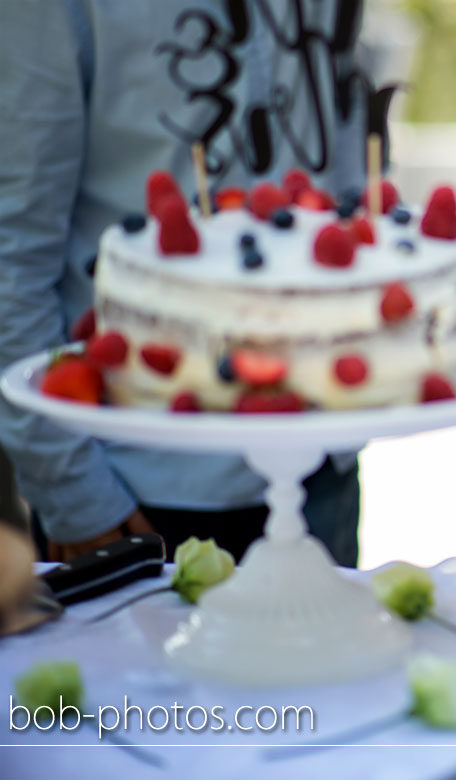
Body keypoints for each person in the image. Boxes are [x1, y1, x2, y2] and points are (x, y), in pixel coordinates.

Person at [0, 0, 381, 565]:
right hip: (137, 478)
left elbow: (351, 177)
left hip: (321, 462)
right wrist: (71, 485)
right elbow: (14, 246)